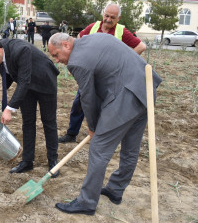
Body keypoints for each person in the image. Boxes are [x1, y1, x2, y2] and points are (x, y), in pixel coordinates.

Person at [48, 32, 162, 215]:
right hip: (146, 89)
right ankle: (115, 190)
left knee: (99, 148)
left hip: (126, 97)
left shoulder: (77, 61)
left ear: (66, 45)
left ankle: (86, 202)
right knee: (131, 148)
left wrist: (93, 127)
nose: (56, 60)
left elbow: (88, 97)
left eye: (56, 55)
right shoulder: (96, 37)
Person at [58, 3, 147, 144]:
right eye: (106, 16)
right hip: (89, 74)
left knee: (105, 106)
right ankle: (71, 133)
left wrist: (123, 62)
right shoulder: (93, 27)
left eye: (112, 17)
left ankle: (101, 135)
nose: (108, 19)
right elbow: (79, 41)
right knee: (80, 102)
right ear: (103, 14)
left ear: (118, 18)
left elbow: (141, 46)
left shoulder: (121, 31)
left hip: (108, 78)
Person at [0, 36, 60, 178]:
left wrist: (9, 109)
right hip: (25, 85)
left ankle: (53, 161)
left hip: (44, 81)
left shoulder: (21, 50)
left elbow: (24, 81)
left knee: (48, 122)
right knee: (28, 122)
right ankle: (27, 161)